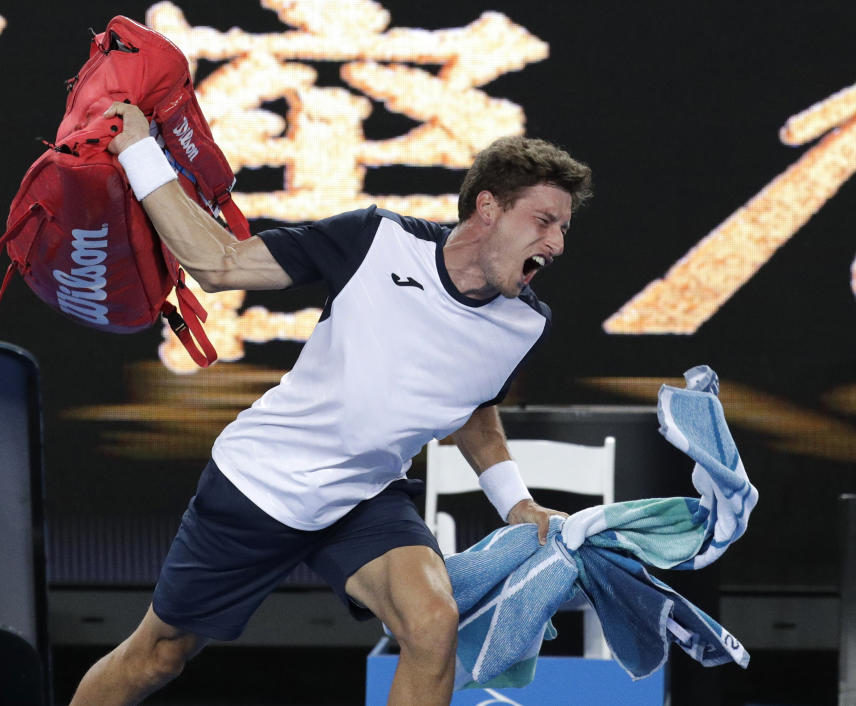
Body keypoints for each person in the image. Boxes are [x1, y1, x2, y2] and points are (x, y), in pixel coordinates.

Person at [69, 102, 593, 706]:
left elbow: (473, 407)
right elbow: (218, 263)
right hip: (260, 486)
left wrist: (515, 503)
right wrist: (137, 147)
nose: (554, 243)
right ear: (488, 208)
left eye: (562, 230)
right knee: (157, 657)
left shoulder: (523, 323)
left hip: (364, 498)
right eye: (544, 221)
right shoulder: (376, 241)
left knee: (432, 624)